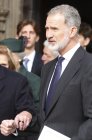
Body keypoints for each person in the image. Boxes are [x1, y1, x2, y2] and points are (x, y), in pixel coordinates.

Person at [39, 4, 92, 140]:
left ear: (72, 31)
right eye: (47, 28)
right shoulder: (47, 68)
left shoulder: (88, 65)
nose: (48, 34)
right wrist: (21, 121)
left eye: (54, 29)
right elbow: (45, 116)